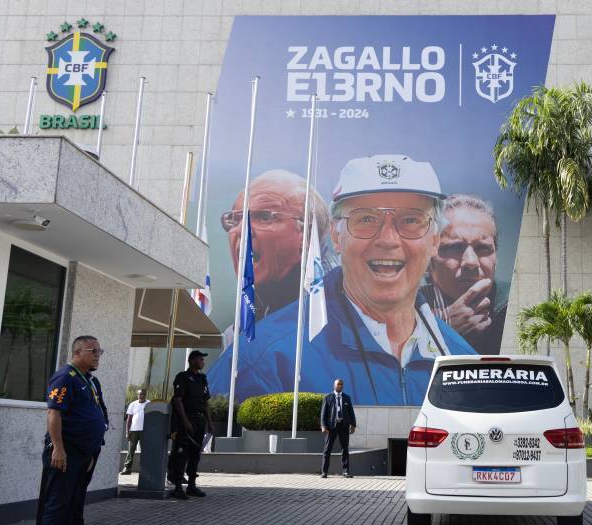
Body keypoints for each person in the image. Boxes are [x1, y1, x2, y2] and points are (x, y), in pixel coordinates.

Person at [207, 154, 476, 406]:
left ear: (435, 241)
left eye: (410, 220)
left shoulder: (463, 361)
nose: (388, 240)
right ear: (336, 237)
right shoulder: (262, 359)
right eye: (366, 219)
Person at [35, 336, 109, 525]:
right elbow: (53, 413)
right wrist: (58, 448)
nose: (98, 354)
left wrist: (88, 453)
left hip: (81, 454)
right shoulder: (65, 377)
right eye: (93, 350)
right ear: (78, 352)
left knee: (68, 505)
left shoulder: (86, 380)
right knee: (56, 506)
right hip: (65, 452)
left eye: (100, 350)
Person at [219, 170, 333, 326]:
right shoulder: (237, 333)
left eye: (264, 217)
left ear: (307, 235)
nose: (240, 231)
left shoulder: (328, 321)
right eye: (235, 220)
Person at [420, 195, 510, 354]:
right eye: (455, 247)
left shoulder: (517, 306)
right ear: (427, 261)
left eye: (483, 248)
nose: (471, 262)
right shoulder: (400, 312)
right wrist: (442, 332)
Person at [169, 350, 212, 499]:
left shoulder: (202, 379)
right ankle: (178, 487)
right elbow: (178, 400)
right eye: (200, 359)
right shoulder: (182, 377)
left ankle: (192, 486)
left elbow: (206, 402)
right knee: (181, 453)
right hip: (186, 420)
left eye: (203, 360)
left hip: (200, 421)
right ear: (192, 360)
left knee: (195, 454)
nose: (202, 362)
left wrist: (210, 423)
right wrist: (185, 421)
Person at [320, 379, 356, 478]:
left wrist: (353, 425)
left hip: (343, 426)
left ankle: (346, 471)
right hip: (331, 427)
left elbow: (351, 412)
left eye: (341, 384)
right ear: (334, 385)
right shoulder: (328, 397)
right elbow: (323, 413)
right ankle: (324, 472)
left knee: (345, 449)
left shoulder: (347, 398)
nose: (340, 386)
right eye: (338, 384)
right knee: (327, 449)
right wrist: (323, 426)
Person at [121, 389, 148, 475]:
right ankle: (127, 468)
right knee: (130, 450)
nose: (142, 396)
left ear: (146, 395)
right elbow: (129, 419)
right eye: (140, 394)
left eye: (144, 394)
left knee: (146, 450)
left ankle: (145, 469)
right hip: (133, 430)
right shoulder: (133, 404)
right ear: (137, 395)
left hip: (145, 431)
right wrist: (127, 432)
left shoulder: (149, 404)